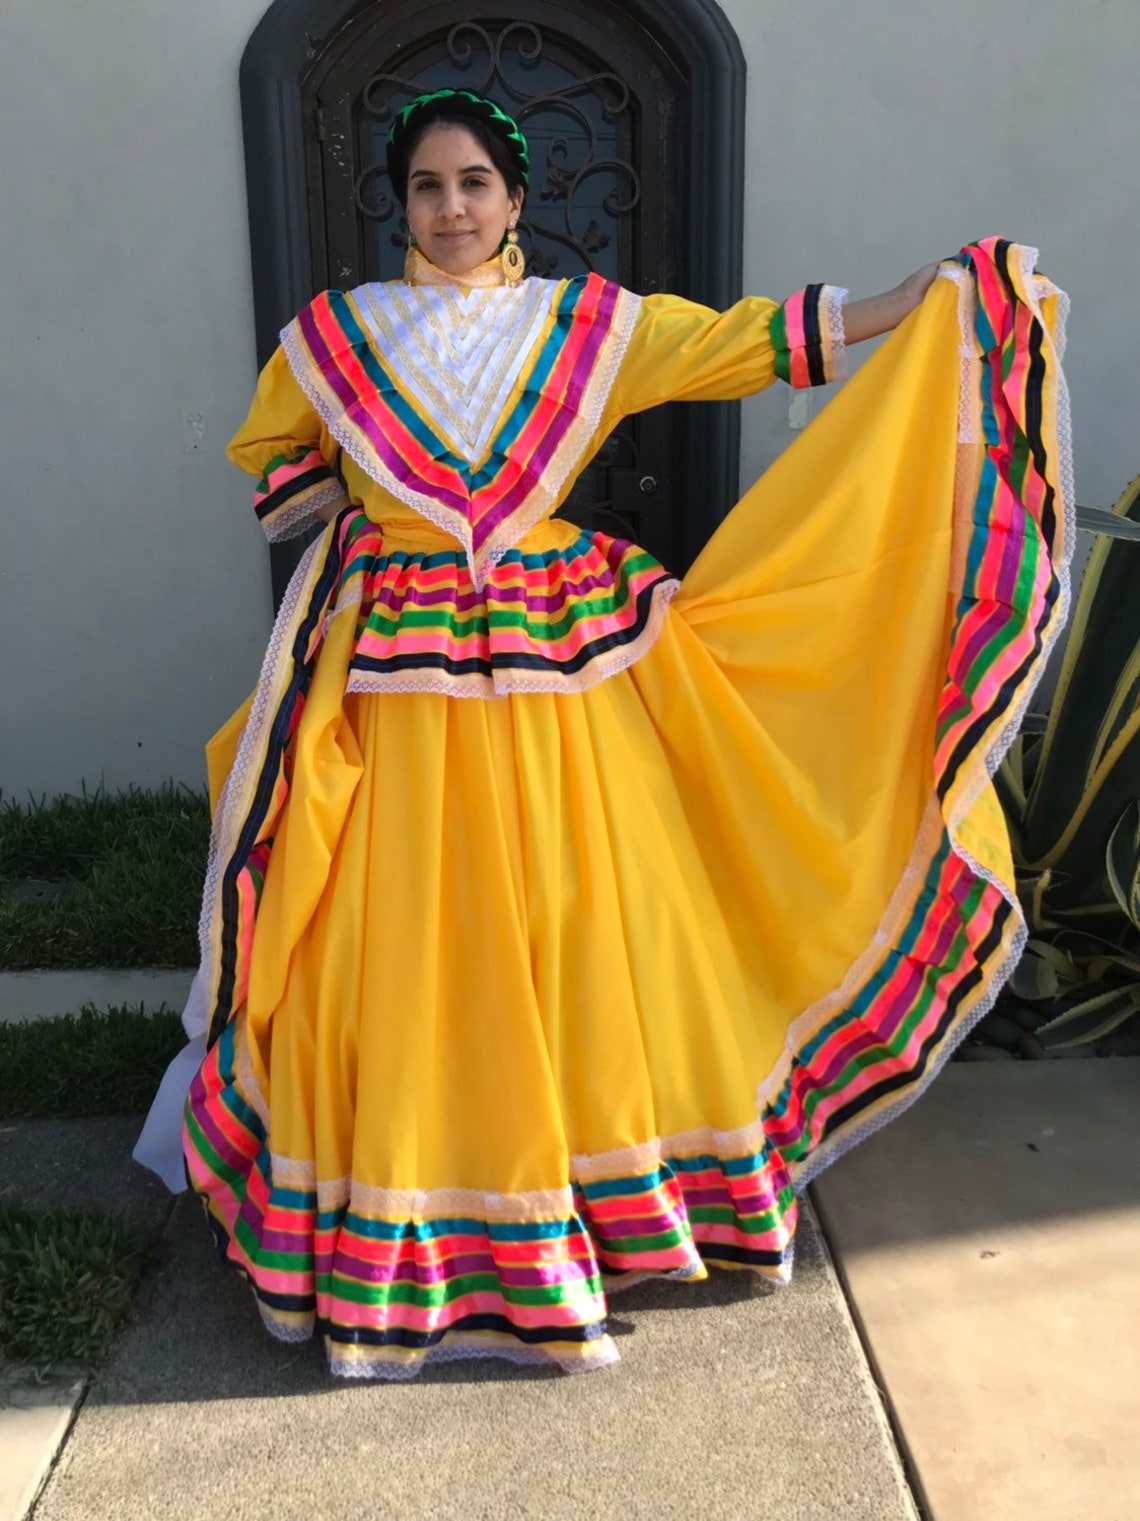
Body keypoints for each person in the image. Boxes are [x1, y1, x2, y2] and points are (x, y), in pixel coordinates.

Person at [135, 88, 1071, 1379]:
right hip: (396, 675)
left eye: (473, 184)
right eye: (426, 187)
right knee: (416, 933)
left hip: (563, 663)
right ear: (399, 206)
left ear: (517, 202)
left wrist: (903, 305)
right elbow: (287, 482)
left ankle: (578, 1194)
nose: (450, 208)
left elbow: (735, 344)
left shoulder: (584, 327)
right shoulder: (333, 340)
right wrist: (380, 544)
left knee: (584, 924)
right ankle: (425, 1208)